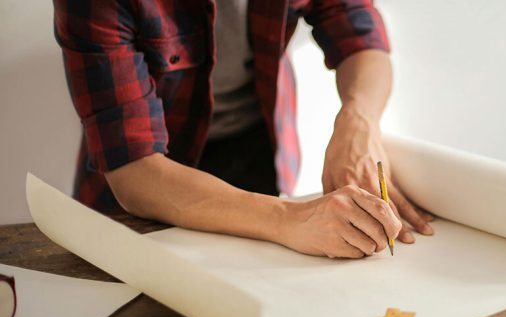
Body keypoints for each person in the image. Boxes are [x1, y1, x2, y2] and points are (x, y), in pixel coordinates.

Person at [52, 0, 433, 259]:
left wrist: (358, 120)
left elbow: (361, 38)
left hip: (256, 150)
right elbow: (135, 172)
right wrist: (291, 218)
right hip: (145, 186)